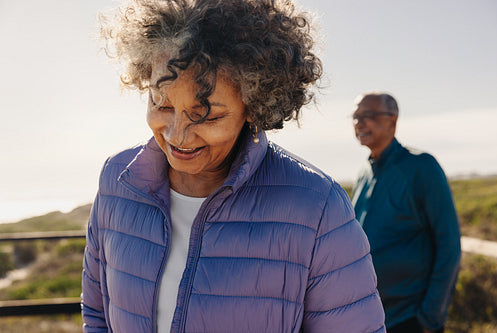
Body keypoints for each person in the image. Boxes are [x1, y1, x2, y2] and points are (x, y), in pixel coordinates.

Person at [80, 0, 386, 332]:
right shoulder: (117, 181)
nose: (177, 135)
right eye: (162, 103)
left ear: (254, 105)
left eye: (207, 114)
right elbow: (98, 316)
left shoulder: (317, 207)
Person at [350, 91, 461, 333]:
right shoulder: (364, 173)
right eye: (356, 116)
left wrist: (430, 318)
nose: (359, 123)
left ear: (393, 119)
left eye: (367, 115)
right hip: (370, 319)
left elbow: (449, 243)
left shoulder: (422, 167)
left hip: (410, 319)